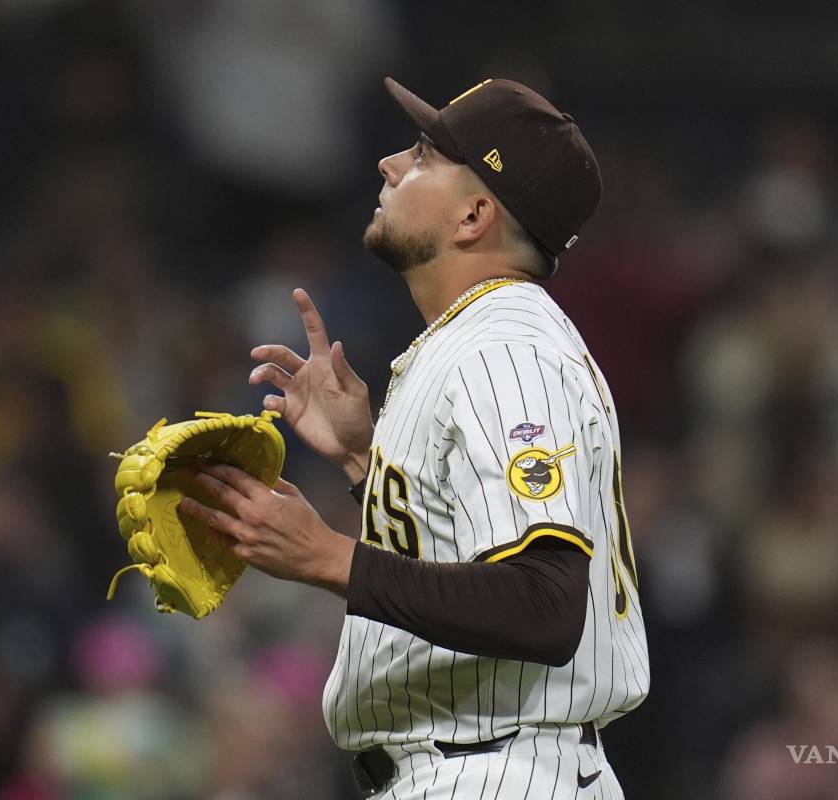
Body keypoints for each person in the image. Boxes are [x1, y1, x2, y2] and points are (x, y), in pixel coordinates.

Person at [180, 76, 649, 798]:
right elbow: (483, 561)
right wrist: (368, 459)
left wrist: (325, 553)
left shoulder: (506, 349)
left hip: (496, 770)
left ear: (474, 214)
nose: (391, 164)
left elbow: (545, 606)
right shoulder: (478, 341)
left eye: (427, 155)